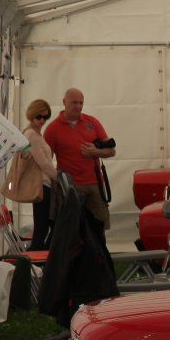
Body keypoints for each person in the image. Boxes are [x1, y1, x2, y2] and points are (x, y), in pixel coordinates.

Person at [44, 87, 116, 246]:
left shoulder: (92, 122)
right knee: (72, 230)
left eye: (81, 103)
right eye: (74, 102)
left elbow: (112, 151)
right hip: (70, 187)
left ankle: (99, 257)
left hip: (95, 184)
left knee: (99, 227)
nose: (78, 106)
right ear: (64, 102)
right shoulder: (52, 129)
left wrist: (95, 151)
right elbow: (45, 160)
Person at [22, 99, 60, 250]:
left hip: (45, 184)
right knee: (43, 227)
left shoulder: (36, 134)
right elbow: (43, 163)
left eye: (46, 117)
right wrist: (60, 178)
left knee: (46, 226)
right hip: (42, 186)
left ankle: (41, 255)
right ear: (32, 115)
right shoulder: (31, 134)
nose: (42, 120)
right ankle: (39, 257)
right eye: (39, 117)